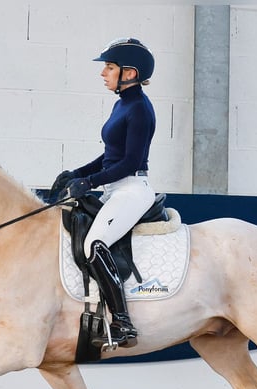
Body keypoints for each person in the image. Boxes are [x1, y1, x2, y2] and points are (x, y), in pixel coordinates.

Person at [52, 38, 157, 348]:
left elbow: (130, 162)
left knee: (95, 244)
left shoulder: (139, 108)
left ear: (129, 73)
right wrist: (78, 174)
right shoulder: (121, 103)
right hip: (114, 186)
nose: (103, 73)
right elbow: (110, 156)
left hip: (131, 189)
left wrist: (91, 181)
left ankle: (123, 323)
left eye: (110, 67)